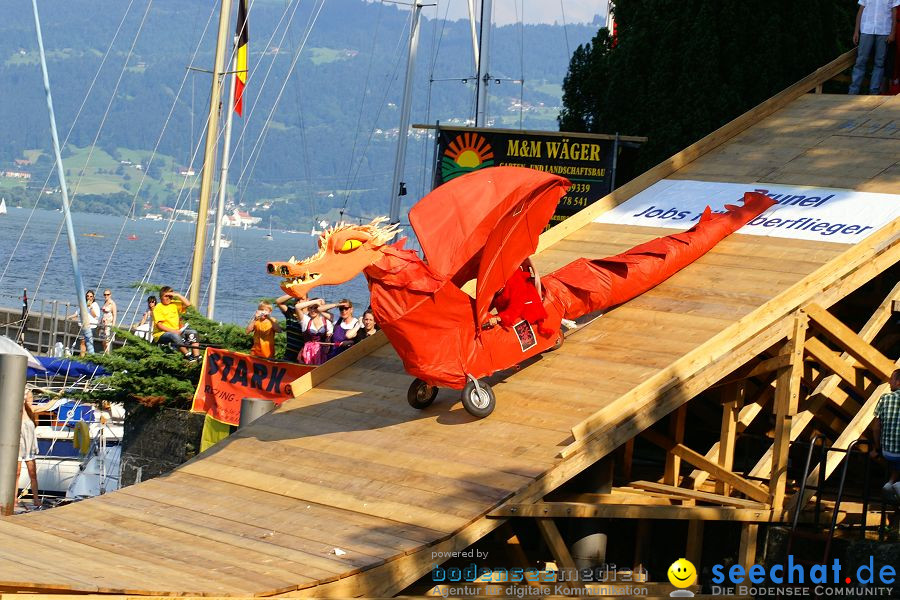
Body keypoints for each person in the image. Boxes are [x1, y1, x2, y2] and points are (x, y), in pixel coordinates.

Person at [850, 0, 899, 95]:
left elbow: (894, 11)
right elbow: (861, 10)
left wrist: (893, 32)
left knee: (879, 63)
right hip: (867, 29)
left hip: (884, 30)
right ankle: (853, 91)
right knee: (860, 61)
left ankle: (874, 92)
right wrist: (856, 31)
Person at [871, 369, 900, 501]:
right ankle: (898, 486)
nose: (889, 381)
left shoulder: (885, 398)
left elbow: (876, 427)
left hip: (888, 452)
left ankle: (890, 483)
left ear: (898, 382)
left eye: (891, 379)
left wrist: (877, 448)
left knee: (897, 463)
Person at [276, 294, 332, 362]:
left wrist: (317, 303)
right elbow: (278, 301)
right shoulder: (291, 312)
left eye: (301, 299)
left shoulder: (312, 315)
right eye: (296, 299)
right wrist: (294, 292)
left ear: (307, 300)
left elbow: (329, 317)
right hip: (289, 352)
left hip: (305, 353)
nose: (298, 301)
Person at [152, 286, 201, 361]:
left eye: (170, 296)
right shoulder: (158, 307)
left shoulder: (174, 304)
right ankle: (187, 355)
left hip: (177, 331)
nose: (168, 298)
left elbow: (188, 304)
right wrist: (174, 331)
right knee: (174, 335)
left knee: (193, 333)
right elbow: (159, 325)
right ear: (161, 297)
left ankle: (197, 356)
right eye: (166, 296)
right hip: (161, 334)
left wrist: (178, 295)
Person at [16, 386, 40, 510]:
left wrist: (59, 397)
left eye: (32, 397)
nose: (31, 400)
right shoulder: (17, 412)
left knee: (33, 474)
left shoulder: (32, 410)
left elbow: (47, 407)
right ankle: (13, 498)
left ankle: (36, 499)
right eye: (29, 397)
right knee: (16, 474)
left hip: (30, 448)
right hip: (19, 448)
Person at [70, 290, 100, 356]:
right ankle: (82, 357)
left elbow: (96, 316)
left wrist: (91, 308)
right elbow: (77, 313)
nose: (89, 298)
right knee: (82, 341)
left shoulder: (95, 305)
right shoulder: (83, 304)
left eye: (91, 296)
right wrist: (69, 317)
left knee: (89, 342)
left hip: (91, 326)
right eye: (87, 296)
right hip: (83, 325)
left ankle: (90, 357)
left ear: (93, 297)